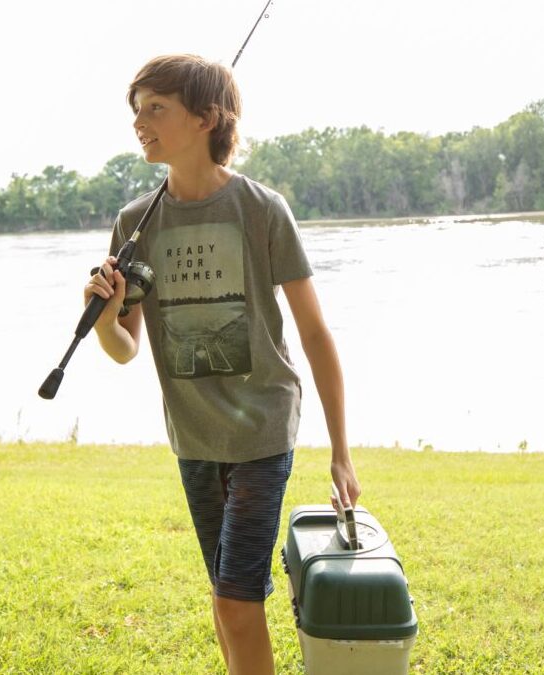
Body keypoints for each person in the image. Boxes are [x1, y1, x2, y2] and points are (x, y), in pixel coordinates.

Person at [84, 54, 360, 675]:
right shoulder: (135, 224)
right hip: (194, 437)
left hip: (261, 429)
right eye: (136, 110)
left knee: (236, 602)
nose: (140, 122)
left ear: (208, 117)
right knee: (227, 600)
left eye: (156, 108)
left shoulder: (262, 210)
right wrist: (105, 317)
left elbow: (315, 335)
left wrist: (341, 450)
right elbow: (125, 347)